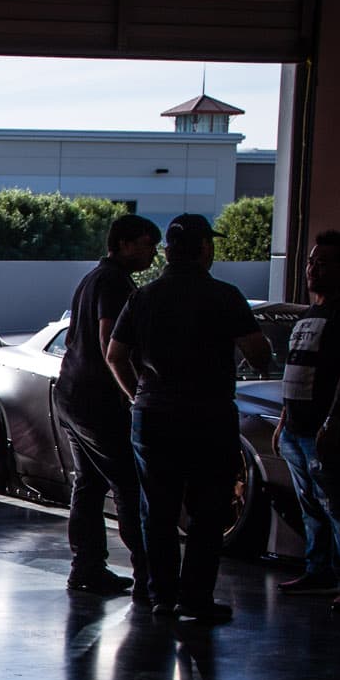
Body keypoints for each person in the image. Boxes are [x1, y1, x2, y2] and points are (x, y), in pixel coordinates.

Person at [106, 212, 271, 625]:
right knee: (208, 511)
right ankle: (195, 599)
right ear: (204, 249)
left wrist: (136, 395)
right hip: (209, 417)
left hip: (153, 416)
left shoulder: (143, 297)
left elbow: (115, 355)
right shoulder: (225, 296)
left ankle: (161, 596)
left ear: (168, 252)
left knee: (157, 511)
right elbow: (258, 354)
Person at [53, 213, 160, 598]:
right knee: (128, 484)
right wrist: (133, 393)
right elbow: (108, 341)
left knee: (89, 483)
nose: (153, 253)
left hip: (71, 394)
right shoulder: (114, 282)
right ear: (125, 244)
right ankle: (149, 576)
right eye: (148, 245)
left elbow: (80, 339)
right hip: (97, 400)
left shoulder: (92, 278)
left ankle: (86, 568)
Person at [273, 231, 340, 614]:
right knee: (311, 506)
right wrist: (284, 420)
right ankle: (318, 572)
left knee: (337, 508)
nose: (313, 269)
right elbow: (296, 371)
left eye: (323, 263)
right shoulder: (307, 316)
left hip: (324, 431)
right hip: (295, 429)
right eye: (312, 261)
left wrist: (332, 423)